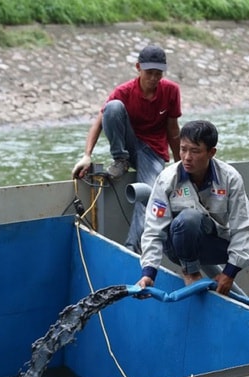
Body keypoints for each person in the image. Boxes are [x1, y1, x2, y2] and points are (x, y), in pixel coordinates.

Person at [135, 120, 249, 321]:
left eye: (195, 151)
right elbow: (154, 230)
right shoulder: (167, 179)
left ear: (211, 152)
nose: (187, 157)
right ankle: (191, 272)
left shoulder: (230, 178)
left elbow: (243, 227)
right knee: (189, 217)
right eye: (183, 149)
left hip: (216, 240)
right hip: (180, 245)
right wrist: (148, 273)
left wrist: (229, 273)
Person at [71, 45, 182, 253]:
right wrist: (87, 156)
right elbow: (99, 121)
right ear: (138, 67)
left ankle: (132, 248)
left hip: (153, 151)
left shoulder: (171, 91)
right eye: (149, 73)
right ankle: (120, 160)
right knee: (112, 108)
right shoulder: (124, 91)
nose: (154, 78)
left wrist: (178, 165)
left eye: (158, 73)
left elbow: (173, 130)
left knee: (149, 196)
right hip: (129, 145)